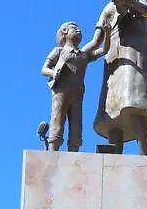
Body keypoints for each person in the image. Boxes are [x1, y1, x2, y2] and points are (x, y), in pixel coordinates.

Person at [84, 0, 147, 155]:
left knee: (135, 101)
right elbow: (96, 41)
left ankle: (145, 155)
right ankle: (114, 155)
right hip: (113, 55)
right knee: (112, 109)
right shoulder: (108, 8)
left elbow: (145, 10)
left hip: (134, 49)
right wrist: (79, 54)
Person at [41, 21, 106, 152]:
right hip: (61, 92)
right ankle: (54, 149)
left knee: (76, 125)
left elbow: (102, 48)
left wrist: (107, 31)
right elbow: (44, 69)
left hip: (78, 94)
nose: (79, 30)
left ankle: (74, 151)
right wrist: (53, 73)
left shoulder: (83, 54)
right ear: (64, 32)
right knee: (57, 120)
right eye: (74, 28)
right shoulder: (59, 51)